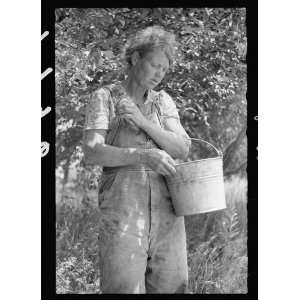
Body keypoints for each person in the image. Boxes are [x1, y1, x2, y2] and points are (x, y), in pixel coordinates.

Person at [83, 26, 191, 294]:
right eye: (155, 65)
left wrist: (143, 122)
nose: (159, 74)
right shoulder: (105, 97)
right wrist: (143, 155)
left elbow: (182, 147)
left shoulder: (163, 102)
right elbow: (92, 150)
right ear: (134, 58)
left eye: (164, 69)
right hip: (123, 215)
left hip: (169, 217)